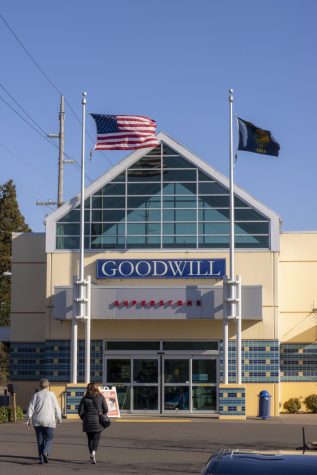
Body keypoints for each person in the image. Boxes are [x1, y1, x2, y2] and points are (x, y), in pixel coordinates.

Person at [26, 378, 62, 464]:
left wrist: (28, 419)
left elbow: (30, 408)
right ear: (48, 385)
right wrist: (59, 418)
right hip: (49, 420)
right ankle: (45, 452)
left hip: (37, 421)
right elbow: (57, 407)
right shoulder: (51, 394)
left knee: (40, 440)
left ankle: (41, 459)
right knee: (49, 438)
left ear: (40, 385)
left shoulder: (36, 395)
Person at [78, 382, 108, 464]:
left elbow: (80, 412)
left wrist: (83, 418)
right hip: (98, 421)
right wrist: (102, 414)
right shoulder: (100, 397)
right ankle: (94, 452)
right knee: (96, 438)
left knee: (90, 439)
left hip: (87, 421)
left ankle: (91, 454)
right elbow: (106, 409)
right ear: (96, 388)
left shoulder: (84, 398)